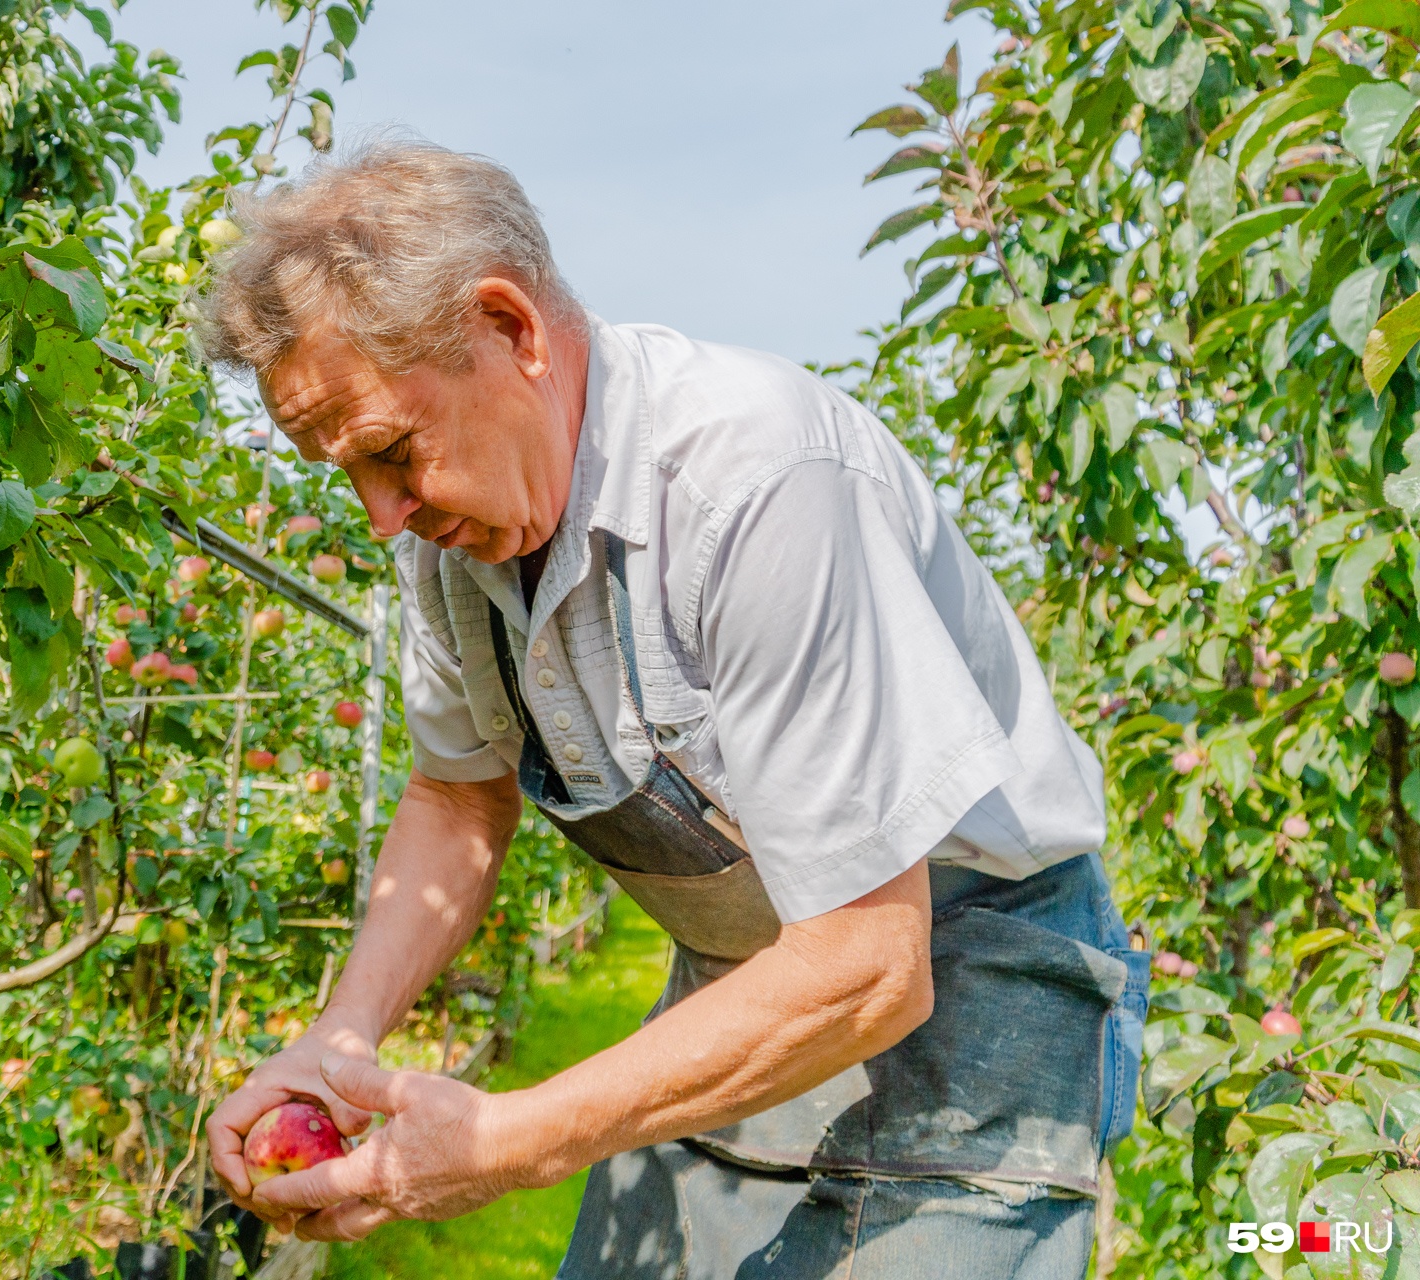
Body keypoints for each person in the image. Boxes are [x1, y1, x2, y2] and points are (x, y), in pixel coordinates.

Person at [197, 138, 1149, 1279]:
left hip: (974, 994)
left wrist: (508, 1140)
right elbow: (459, 794)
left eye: (393, 452)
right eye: (346, 473)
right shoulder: (458, 550)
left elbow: (867, 959)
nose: (382, 515)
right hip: (747, 984)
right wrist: (340, 1036)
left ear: (511, 330)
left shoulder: (755, 486)